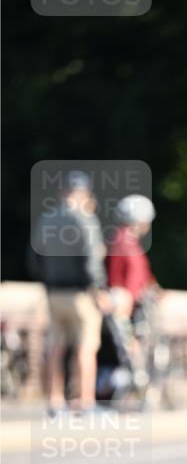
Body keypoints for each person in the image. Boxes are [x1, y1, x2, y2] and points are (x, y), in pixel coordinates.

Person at [28, 171, 110, 413]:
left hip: (53, 292)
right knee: (86, 345)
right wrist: (98, 288)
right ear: (84, 194)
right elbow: (91, 259)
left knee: (55, 346)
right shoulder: (85, 220)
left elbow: (34, 258)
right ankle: (84, 401)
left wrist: (47, 279)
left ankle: (55, 399)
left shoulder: (46, 219)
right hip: (80, 293)